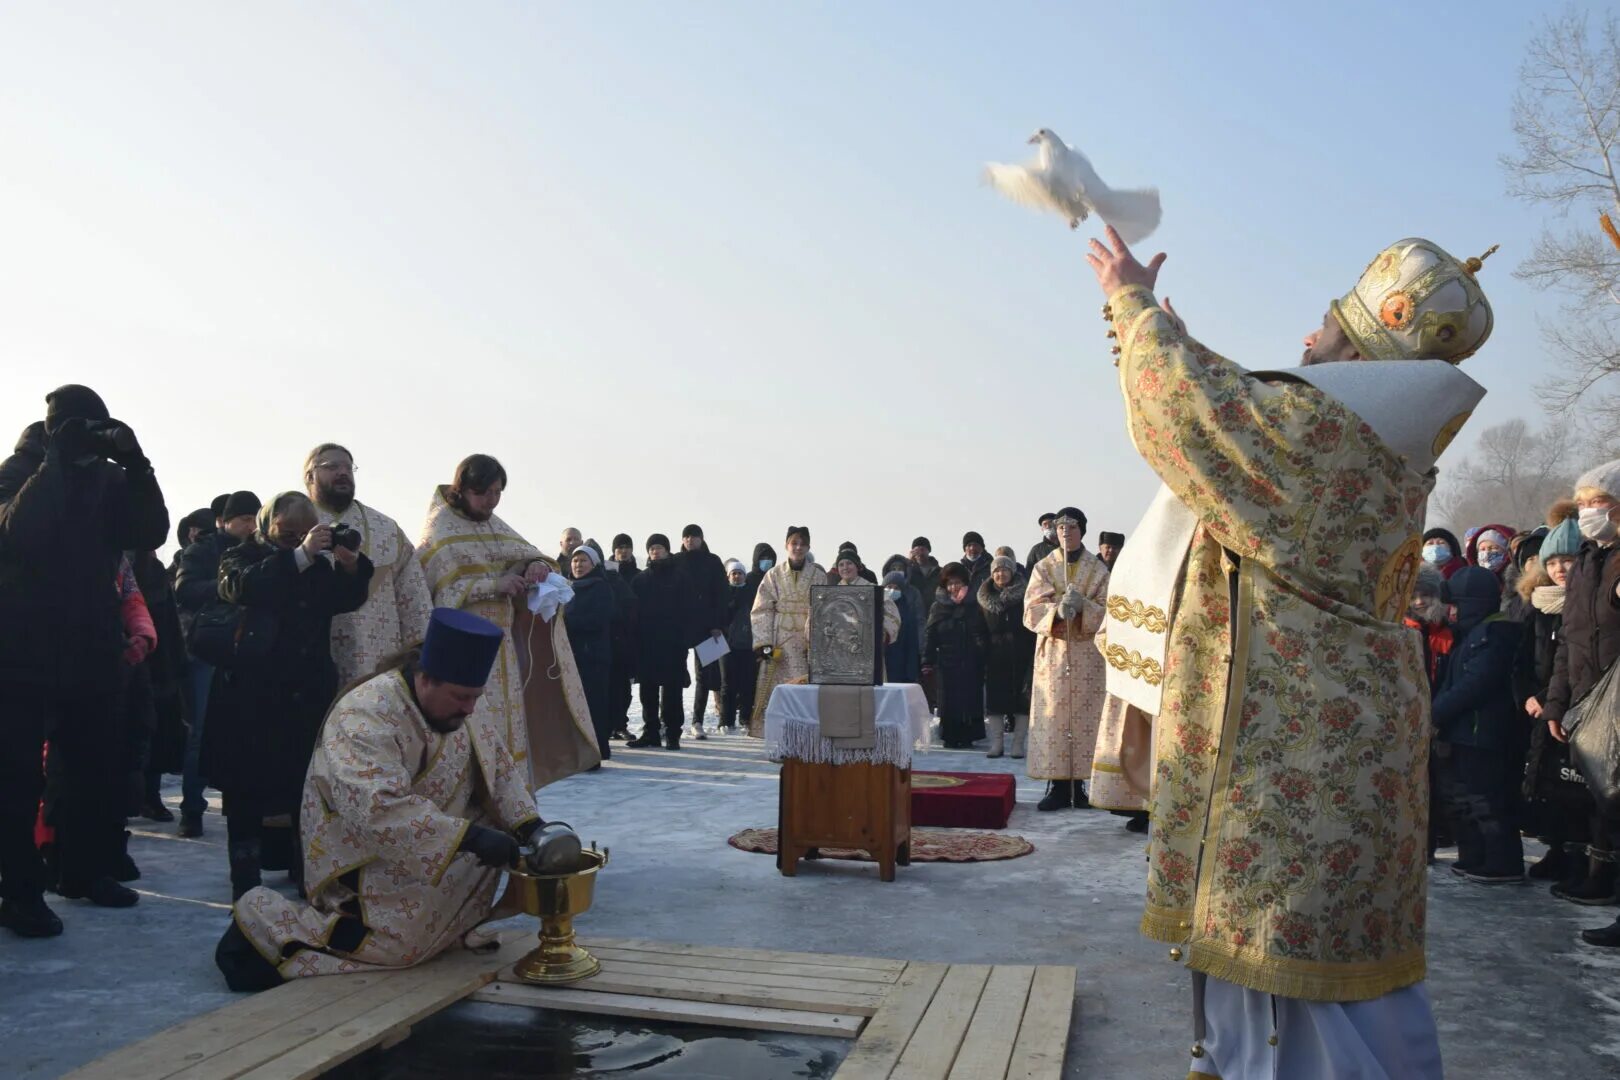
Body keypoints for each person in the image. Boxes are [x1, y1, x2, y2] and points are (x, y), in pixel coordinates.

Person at [1089, 226, 1495, 1075]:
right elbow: (1233, 419)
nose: (1306, 342)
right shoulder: (1374, 448)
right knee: (1346, 1000)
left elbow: (1195, 412)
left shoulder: (1327, 439)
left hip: (1288, 768)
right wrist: (1163, 341)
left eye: (1323, 329)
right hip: (1339, 761)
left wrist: (1130, 303)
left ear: (1356, 350)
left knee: (1293, 1003)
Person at [215, 608, 547, 989]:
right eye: (461, 698)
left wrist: (532, 826)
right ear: (426, 679)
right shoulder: (365, 714)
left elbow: (498, 768)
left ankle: (448, 926)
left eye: (476, 697)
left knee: (494, 842)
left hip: (432, 843)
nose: (470, 709)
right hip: (364, 849)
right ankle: (264, 921)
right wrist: (469, 839)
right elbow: (376, 808)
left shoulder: (460, 698)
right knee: (396, 949)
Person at [0, 385, 168, 936]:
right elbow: (21, 533)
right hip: (20, 647)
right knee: (18, 775)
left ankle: (83, 870)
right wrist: (55, 462)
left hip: (91, 646)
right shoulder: (19, 469)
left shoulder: (111, 477)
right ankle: (20, 889)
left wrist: (137, 463)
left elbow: (148, 533)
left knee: (93, 767)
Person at [207, 492, 372, 898]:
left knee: (306, 789)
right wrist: (297, 555)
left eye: (304, 533)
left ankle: (308, 875)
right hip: (251, 696)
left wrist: (351, 566)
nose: (297, 540)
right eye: (287, 534)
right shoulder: (242, 556)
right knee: (245, 793)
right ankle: (244, 884)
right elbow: (243, 587)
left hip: (305, 695)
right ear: (267, 527)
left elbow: (344, 599)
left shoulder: (316, 565)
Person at [416, 454, 596, 785]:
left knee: (509, 727)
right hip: (462, 650)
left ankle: (512, 801)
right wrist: (492, 585)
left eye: (498, 492)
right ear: (464, 488)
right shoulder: (440, 528)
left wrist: (534, 566)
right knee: (471, 726)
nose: (491, 501)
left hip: (503, 648)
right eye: (484, 492)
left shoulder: (494, 524)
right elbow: (433, 596)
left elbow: (528, 553)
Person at [1542, 459, 1620, 946]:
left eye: (1601, 503)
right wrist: (1557, 704)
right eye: (1585, 504)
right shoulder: (1590, 561)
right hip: (1592, 705)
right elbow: (1567, 642)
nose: (1590, 512)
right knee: (1607, 805)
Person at [303, 443, 433, 686]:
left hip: (378, 655)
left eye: (348, 467)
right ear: (310, 476)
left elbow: (414, 598)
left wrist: (420, 652)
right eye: (332, 466)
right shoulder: (292, 522)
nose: (342, 472)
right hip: (311, 658)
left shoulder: (386, 530)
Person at [172, 489, 260, 837]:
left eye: (255, 519)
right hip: (209, 650)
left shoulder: (260, 551)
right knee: (201, 731)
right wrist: (232, 587)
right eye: (243, 520)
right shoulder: (203, 550)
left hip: (250, 649)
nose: (250, 526)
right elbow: (186, 590)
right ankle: (192, 809)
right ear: (225, 521)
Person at [1431, 567, 1525, 883]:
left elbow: (1476, 684)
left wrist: (1435, 712)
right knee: (1463, 799)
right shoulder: (1469, 635)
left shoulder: (1494, 634)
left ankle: (1502, 861)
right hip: (1463, 732)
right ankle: (1475, 855)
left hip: (1481, 733)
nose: (1450, 611)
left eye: (1455, 604)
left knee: (1486, 800)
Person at [1515, 504, 1587, 883]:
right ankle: (1556, 849)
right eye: (1554, 561)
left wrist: (1550, 697)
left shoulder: (1587, 605)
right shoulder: (1538, 606)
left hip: (1573, 707)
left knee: (1576, 784)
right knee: (1546, 784)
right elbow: (1521, 661)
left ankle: (1580, 854)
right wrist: (1527, 694)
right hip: (1538, 708)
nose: (1561, 568)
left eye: (1569, 560)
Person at [1023, 507, 1108, 810]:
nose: (1065, 533)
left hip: (1086, 654)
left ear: (1082, 531)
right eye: (1060, 528)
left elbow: (1109, 610)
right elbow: (1030, 609)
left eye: (1071, 528)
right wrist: (1056, 612)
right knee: (1056, 718)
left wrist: (1085, 607)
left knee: (1085, 718)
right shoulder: (1044, 567)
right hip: (1055, 655)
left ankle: (1080, 787)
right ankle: (1057, 787)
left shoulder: (1097, 570)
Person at [749, 526, 825, 736]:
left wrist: (816, 640)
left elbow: (823, 609)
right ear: (786, 545)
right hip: (779, 638)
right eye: (794, 543)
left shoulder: (818, 576)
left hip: (806, 640)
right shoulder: (773, 575)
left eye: (802, 544)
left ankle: (806, 731)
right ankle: (775, 731)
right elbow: (761, 609)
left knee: (805, 686)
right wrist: (764, 643)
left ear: (808, 546)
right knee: (777, 687)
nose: (798, 548)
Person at [923, 562, 989, 748]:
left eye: (957, 583)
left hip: (971, 661)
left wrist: (982, 653)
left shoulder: (975, 605)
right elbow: (930, 634)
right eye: (950, 584)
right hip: (947, 662)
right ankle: (950, 736)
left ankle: (969, 735)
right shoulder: (938, 607)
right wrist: (927, 661)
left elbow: (982, 632)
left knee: (969, 700)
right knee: (949, 702)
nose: (954, 587)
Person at [630, 534, 688, 749]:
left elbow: (689, 609)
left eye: (660, 547)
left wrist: (684, 638)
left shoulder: (680, 577)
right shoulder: (640, 580)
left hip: (673, 643)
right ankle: (651, 732)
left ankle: (673, 734)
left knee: (673, 691)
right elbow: (633, 613)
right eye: (652, 548)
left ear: (667, 550)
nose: (656, 551)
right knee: (648, 691)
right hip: (647, 643)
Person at [978, 554, 1033, 758]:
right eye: (997, 570)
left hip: (1021, 654)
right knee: (995, 703)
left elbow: (1032, 625)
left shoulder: (1026, 596)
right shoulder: (983, 598)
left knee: (1022, 701)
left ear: (1012, 572)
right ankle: (997, 744)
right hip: (995, 656)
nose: (1001, 573)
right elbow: (979, 629)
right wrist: (984, 648)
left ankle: (1018, 744)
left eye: (1005, 569)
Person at [564, 545, 615, 761]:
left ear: (593, 564)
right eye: (575, 561)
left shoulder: (601, 587)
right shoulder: (566, 587)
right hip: (570, 656)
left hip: (593, 655)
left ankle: (595, 752)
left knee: (593, 705)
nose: (578, 565)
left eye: (583, 561)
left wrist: (565, 622)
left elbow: (598, 619)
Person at [678, 524, 729, 739]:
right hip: (680, 626)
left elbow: (722, 594)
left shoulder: (713, 561)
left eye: (694, 537)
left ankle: (697, 720)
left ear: (701, 539)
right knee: (673, 674)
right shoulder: (676, 561)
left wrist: (718, 624)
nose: (690, 540)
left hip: (707, 627)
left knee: (704, 676)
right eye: (687, 537)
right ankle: (670, 720)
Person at [602, 535, 638, 741]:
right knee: (607, 684)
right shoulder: (605, 573)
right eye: (619, 548)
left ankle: (621, 724)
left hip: (628, 637)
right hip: (608, 636)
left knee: (624, 685)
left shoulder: (638, 575)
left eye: (627, 547)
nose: (623, 551)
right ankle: (607, 725)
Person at [720, 554, 761, 732]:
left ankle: (745, 718)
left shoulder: (752, 593)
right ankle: (725, 720)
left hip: (748, 644)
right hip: (726, 645)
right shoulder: (722, 594)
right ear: (729, 576)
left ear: (745, 575)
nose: (737, 576)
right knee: (727, 685)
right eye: (733, 573)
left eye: (740, 573)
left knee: (747, 684)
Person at [881, 561, 924, 685]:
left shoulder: (907, 613)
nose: (892, 590)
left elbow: (912, 645)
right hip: (881, 666)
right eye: (889, 587)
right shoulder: (875, 610)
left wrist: (911, 674)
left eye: (896, 588)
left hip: (900, 667)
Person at [1025, 513, 1058, 577]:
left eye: (1051, 522)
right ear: (1042, 529)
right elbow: (1028, 573)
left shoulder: (1067, 546)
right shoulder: (1036, 550)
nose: (1048, 526)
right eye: (1045, 524)